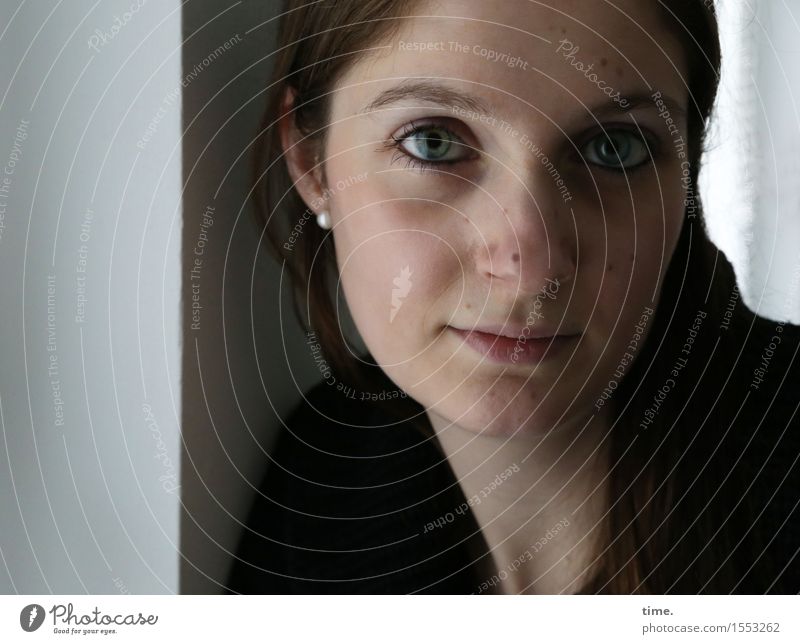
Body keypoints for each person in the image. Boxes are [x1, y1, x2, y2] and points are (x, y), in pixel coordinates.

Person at [226, 0, 800, 594]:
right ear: (309, 160)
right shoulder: (321, 486)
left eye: (614, 147)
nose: (530, 269)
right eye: (433, 143)